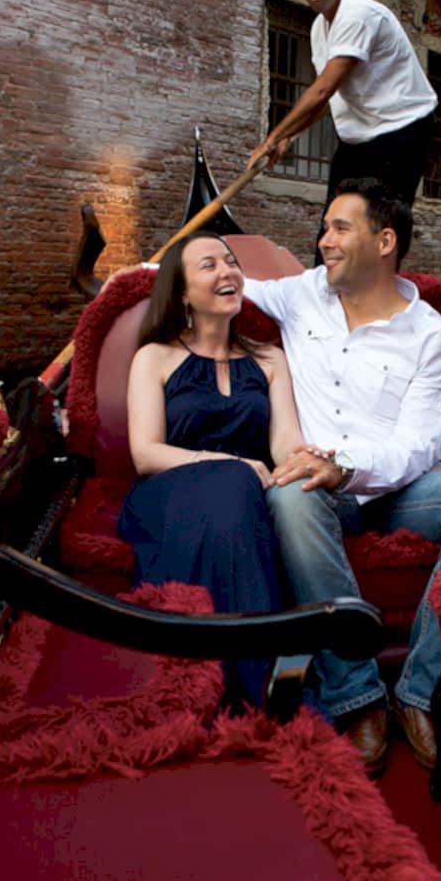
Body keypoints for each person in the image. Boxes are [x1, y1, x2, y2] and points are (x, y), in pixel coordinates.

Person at [244, 178, 441, 776]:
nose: (323, 243)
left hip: (400, 492)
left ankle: (419, 691)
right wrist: (140, 273)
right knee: (292, 492)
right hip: (321, 492)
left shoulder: (434, 338)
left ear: (385, 240)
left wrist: (347, 467)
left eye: (340, 229)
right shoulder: (300, 295)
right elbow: (222, 279)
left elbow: (419, 446)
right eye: (324, 229)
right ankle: (358, 694)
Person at [115, 231, 304, 706]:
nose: (227, 271)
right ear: (181, 293)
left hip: (244, 498)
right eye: (209, 265)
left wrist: (305, 461)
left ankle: (230, 680)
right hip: (169, 492)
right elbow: (146, 453)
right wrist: (227, 462)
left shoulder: (270, 359)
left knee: (240, 489)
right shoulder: (154, 357)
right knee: (235, 480)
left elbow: (285, 443)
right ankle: (254, 680)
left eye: (231, 261)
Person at [246, 0, 439, 211]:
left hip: (404, 128)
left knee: (380, 224)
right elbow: (329, 98)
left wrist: (270, 140)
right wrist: (288, 137)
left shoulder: (358, 13)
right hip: (360, 135)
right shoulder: (319, 29)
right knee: (334, 223)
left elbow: (322, 90)